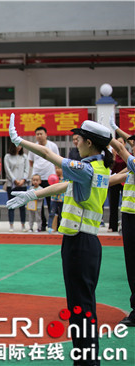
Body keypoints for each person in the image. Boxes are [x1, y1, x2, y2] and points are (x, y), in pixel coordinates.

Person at [8, 115, 119, 364]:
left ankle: (87, 361)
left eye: (79, 138)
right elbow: (64, 186)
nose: (76, 141)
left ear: (89, 143)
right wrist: (32, 194)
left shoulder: (87, 168)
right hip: (83, 243)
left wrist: (20, 141)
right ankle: (84, 358)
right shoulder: (99, 166)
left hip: (80, 244)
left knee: (81, 306)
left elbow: (49, 155)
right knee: (81, 305)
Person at [108, 114, 135, 327]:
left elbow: (123, 151)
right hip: (129, 218)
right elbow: (117, 178)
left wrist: (106, 136)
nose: (131, 145)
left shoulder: (133, 162)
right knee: (131, 265)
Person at [28, 126, 59, 231]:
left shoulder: (52, 146)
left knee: (52, 203)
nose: (39, 136)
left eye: (41, 134)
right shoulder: (33, 147)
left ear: (46, 134)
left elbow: (57, 161)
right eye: (37, 134)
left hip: (50, 178)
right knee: (38, 205)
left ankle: (53, 225)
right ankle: (42, 225)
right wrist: (35, 177)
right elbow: (31, 162)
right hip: (37, 179)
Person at [4, 142, 29, 232]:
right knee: (11, 204)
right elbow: (7, 170)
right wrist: (14, 179)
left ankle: (23, 224)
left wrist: (23, 179)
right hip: (12, 184)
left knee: (22, 205)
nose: (18, 147)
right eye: (16, 145)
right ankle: (11, 224)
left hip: (23, 184)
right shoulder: (7, 156)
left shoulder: (24, 157)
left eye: (20, 145)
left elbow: (27, 169)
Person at [108, 137, 127, 232]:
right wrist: (114, 157)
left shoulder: (128, 155)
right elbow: (110, 169)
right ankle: (112, 226)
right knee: (113, 204)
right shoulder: (110, 156)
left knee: (125, 204)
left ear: (124, 144)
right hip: (114, 182)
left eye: (121, 142)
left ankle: (124, 225)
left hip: (124, 182)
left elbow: (129, 167)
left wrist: (120, 175)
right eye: (117, 142)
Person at [47, 166, 65, 233]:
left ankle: (61, 228)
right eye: (56, 168)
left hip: (62, 199)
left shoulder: (65, 179)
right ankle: (49, 227)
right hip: (54, 199)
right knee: (52, 213)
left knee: (62, 214)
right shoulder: (53, 178)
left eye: (59, 168)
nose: (57, 170)